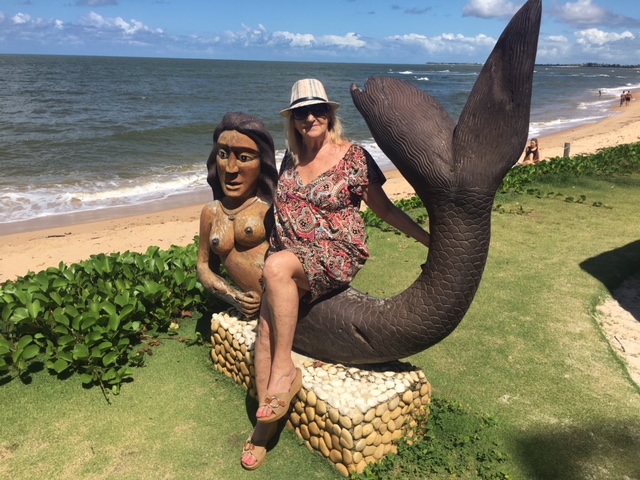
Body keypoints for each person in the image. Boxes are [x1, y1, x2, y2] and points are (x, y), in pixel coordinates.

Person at [241, 79, 431, 469]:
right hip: (289, 258)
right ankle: (263, 429)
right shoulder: (290, 160)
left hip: (334, 253)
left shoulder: (355, 157)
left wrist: (428, 239)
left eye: (318, 110)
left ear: (330, 114)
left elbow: (384, 209)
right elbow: (280, 208)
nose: (310, 117)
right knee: (264, 330)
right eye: (301, 113)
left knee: (275, 266)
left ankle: (284, 371)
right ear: (292, 121)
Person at [197, 112, 278, 320]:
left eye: (244, 158)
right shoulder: (211, 212)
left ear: (263, 163)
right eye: (223, 154)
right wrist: (235, 298)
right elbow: (205, 266)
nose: (231, 169)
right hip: (248, 305)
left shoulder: (268, 209)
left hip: (281, 300)